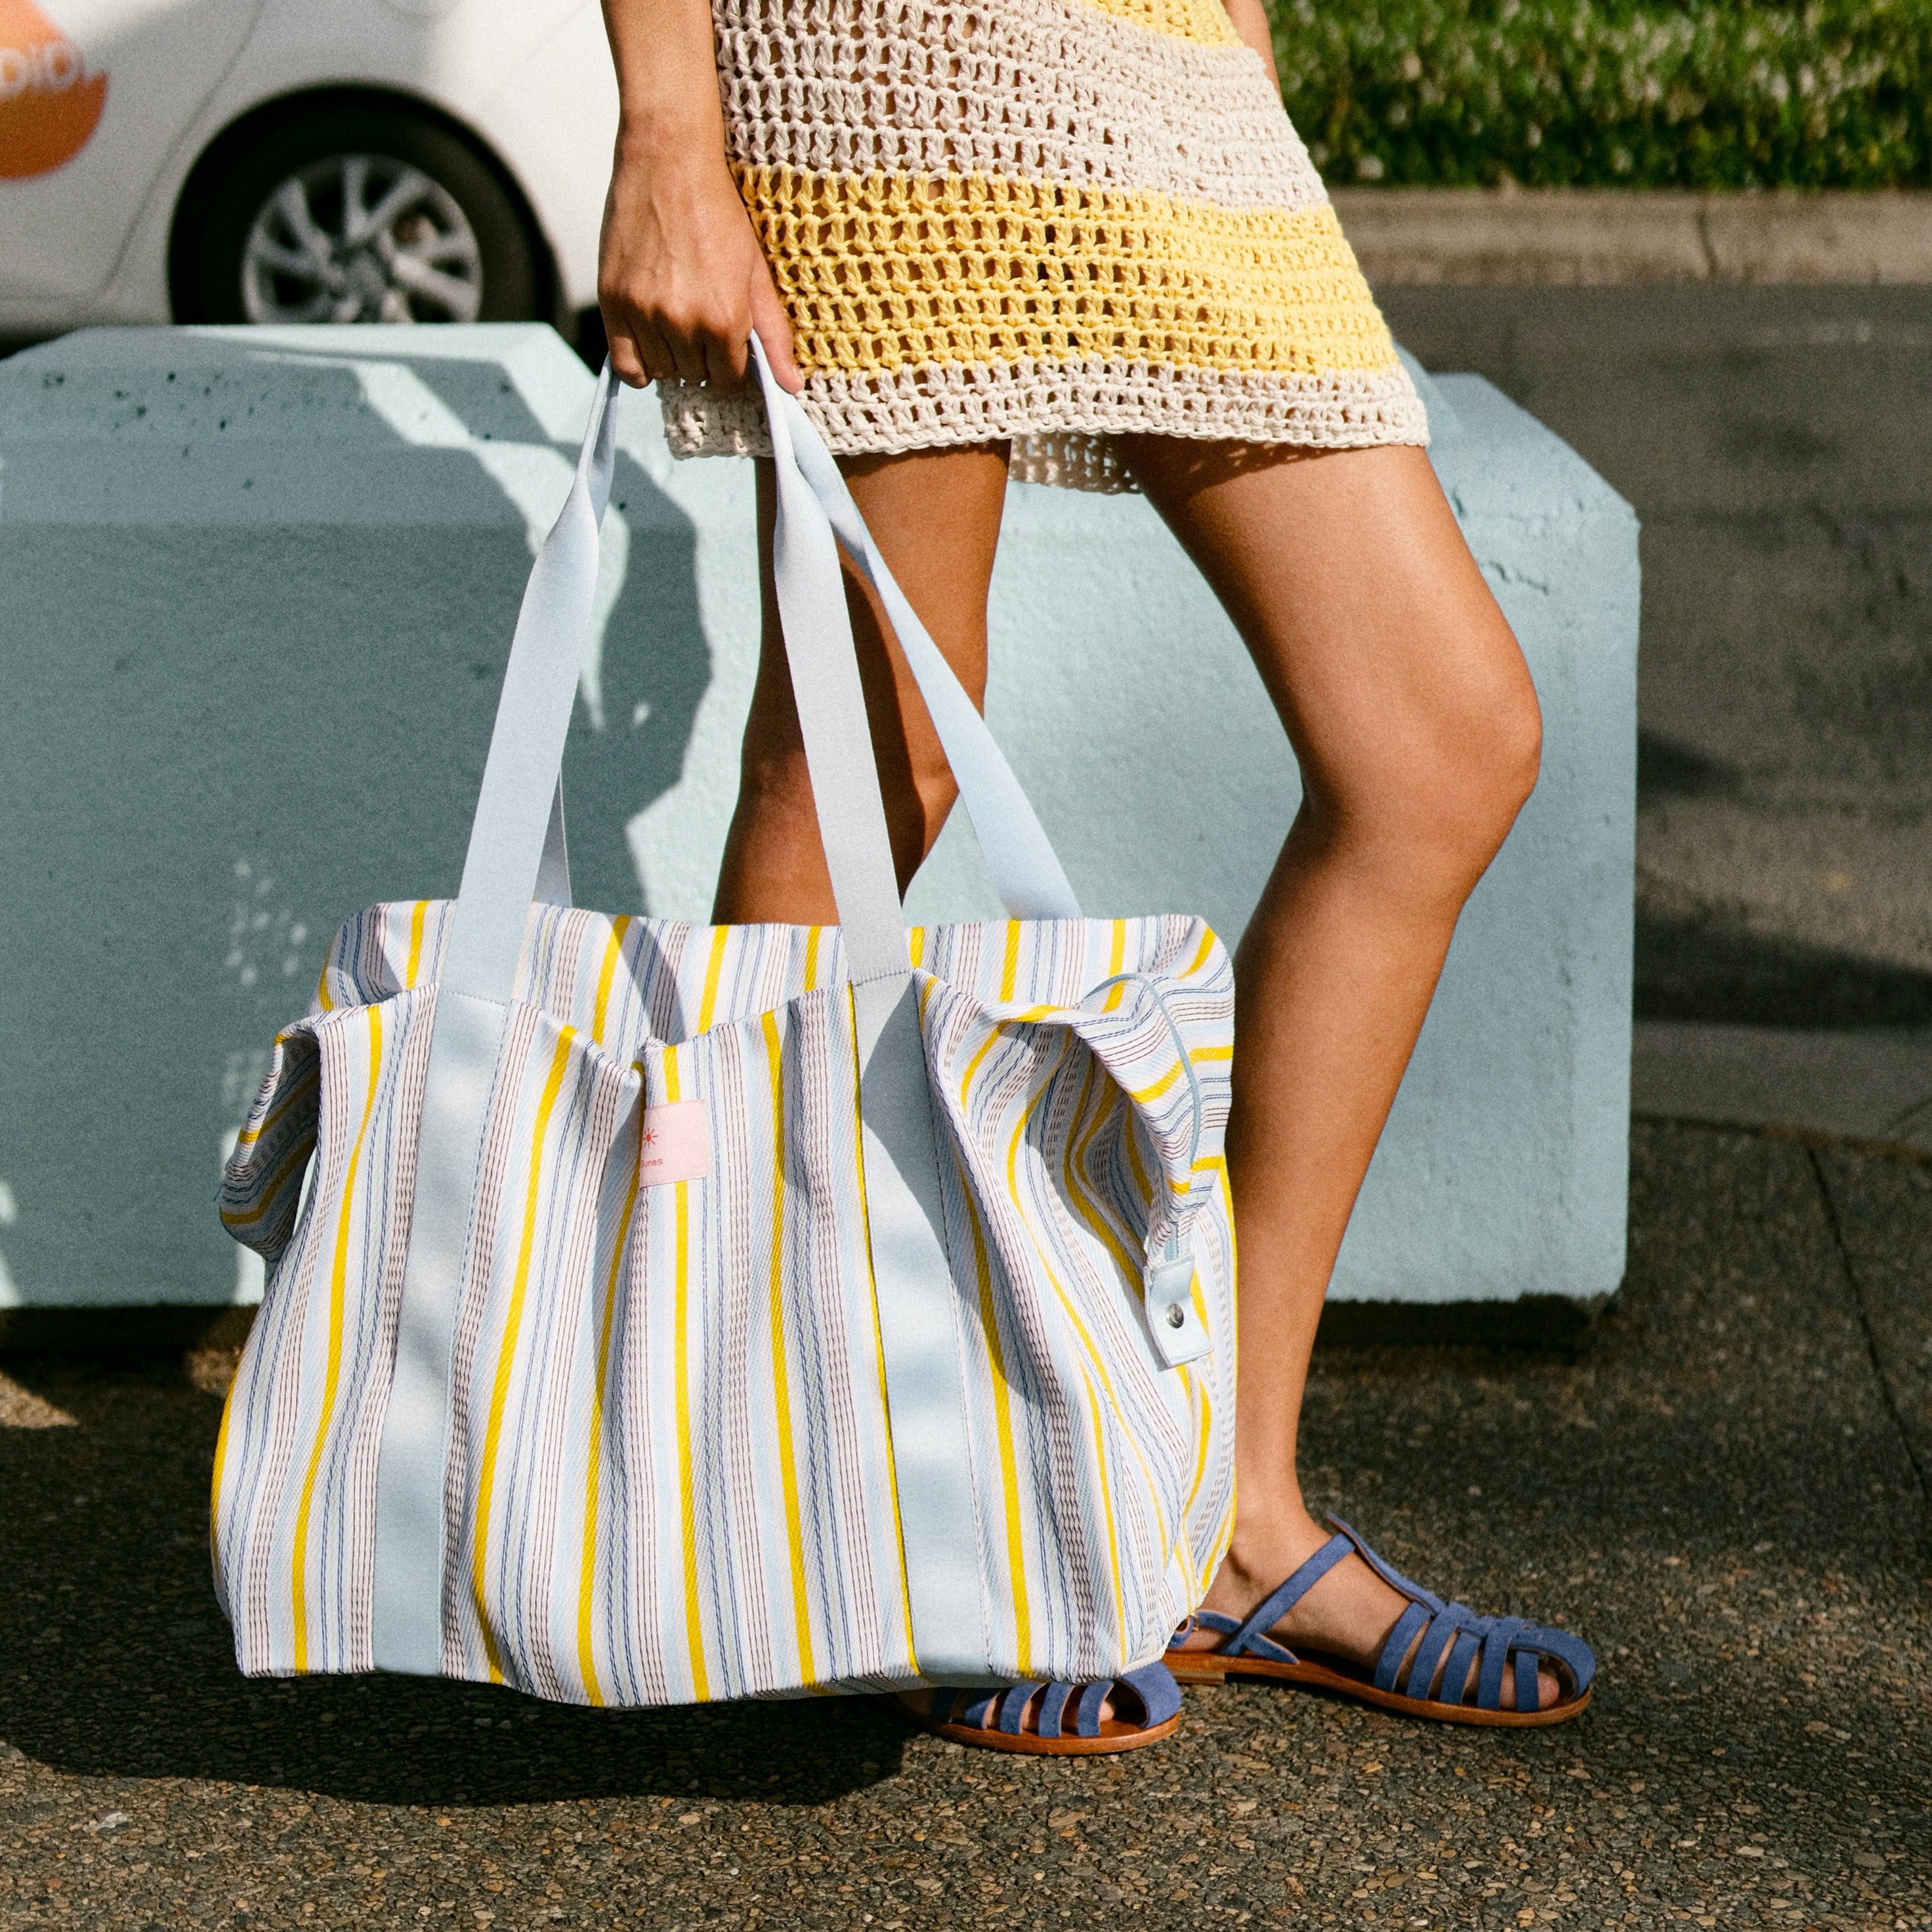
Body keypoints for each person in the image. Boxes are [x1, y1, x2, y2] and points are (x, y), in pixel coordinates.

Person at [595, 0, 1596, 1750]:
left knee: (1439, 740)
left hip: (1165, 57)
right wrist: (667, 120)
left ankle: (1220, 1511)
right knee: (867, 753)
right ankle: (830, 1520)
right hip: (880, 56)